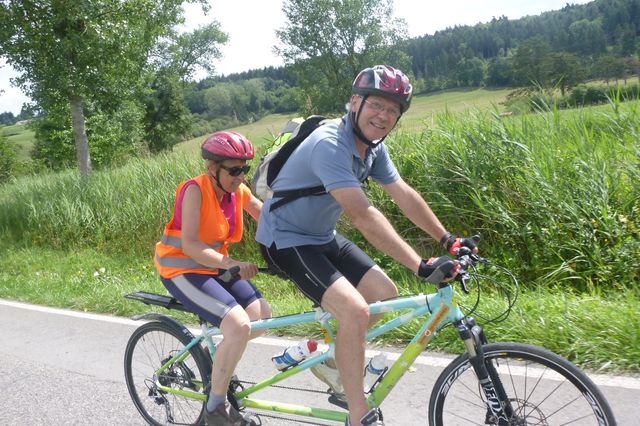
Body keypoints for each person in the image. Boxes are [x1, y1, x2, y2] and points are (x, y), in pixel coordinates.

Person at [256, 65, 477, 426]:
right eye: (377, 104)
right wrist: (420, 265)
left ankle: (332, 363)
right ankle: (358, 414)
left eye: (393, 110)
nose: (384, 116)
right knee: (356, 312)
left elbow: (403, 194)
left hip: (322, 236)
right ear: (355, 102)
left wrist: (447, 239)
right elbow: (362, 215)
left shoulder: (372, 148)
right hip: (285, 239)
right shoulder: (330, 144)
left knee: (383, 293)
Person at [154, 131, 271, 426]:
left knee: (260, 316)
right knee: (238, 325)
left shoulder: (237, 191)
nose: (241, 176)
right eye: (234, 170)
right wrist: (232, 263)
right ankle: (216, 408)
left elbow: (264, 214)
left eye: (245, 168)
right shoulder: (194, 190)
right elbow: (191, 245)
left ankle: (216, 359)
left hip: (215, 266)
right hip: (182, 268)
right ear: (212, 167)